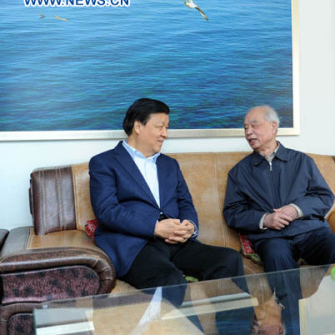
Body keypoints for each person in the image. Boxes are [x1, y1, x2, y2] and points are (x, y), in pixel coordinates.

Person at [89, 98, 246, 305]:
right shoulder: (104, 162)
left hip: (175, 241)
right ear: (138, 126)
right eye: (160, 127)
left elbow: (185, 204)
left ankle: (232, 327)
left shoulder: (169, 164)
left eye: (167, 127)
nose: (165, 133)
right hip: (135, 245)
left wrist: (190, 226)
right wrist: (154, 227)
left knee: (229, 259)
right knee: (170, 279)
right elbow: (107, 211)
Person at [223, 105, 335, 334]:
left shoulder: (302, 161)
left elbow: (324, 196)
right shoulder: (240, 172)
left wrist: (296, 209)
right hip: (272, 238)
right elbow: (233, 212)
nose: (248, 132)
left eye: (254, 125)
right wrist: (266, 219)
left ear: (273, 127)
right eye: (245, 128)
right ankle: (294, 329)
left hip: (311, 232)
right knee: (278, 260)